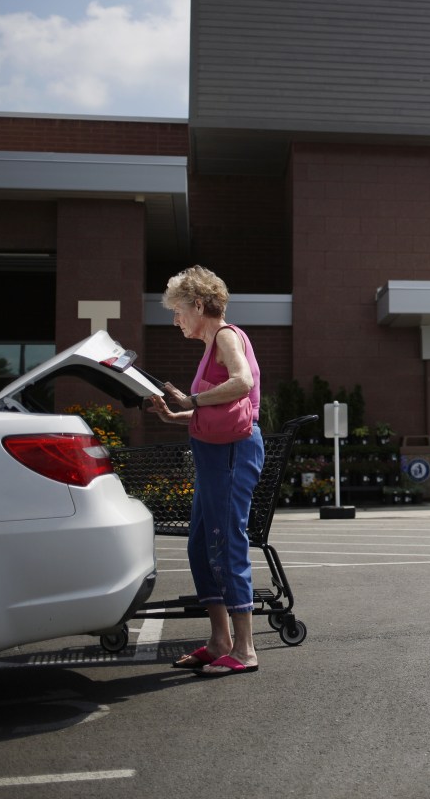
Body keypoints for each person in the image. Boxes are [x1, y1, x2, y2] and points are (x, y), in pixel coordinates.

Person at [148, 265, 264, 677]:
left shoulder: (226, 336)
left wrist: (192, 401)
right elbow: (220, 411)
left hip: (232, 454)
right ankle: (219, 641)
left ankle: (245, 649)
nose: (175, 320)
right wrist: (174, 414)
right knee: (200, 546)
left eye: (178, 310)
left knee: (226, 544)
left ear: (198, 305)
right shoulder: (212, 343)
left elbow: (242, 383)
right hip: (216, 454)